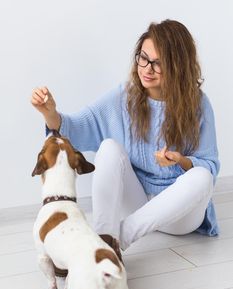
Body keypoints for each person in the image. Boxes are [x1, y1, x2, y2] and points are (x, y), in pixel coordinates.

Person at [31, 19, 220, 258]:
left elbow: (210, 165)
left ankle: (115, 241)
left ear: (178, 65)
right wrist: (50, 113)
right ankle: (104, 239)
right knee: (108, 147)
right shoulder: (124, 97)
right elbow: (77, 128)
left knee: (202, 176)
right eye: (143, 58)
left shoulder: (199, 105)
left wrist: (181, 160)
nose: (147, 69)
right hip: (139, 203)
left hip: (181, 217)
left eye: (158, 63)